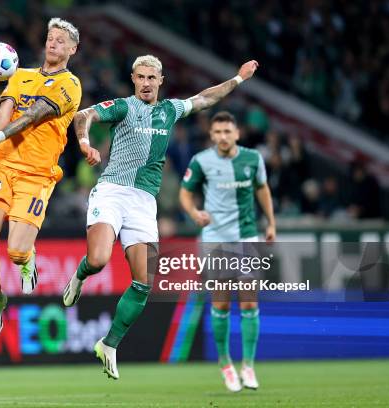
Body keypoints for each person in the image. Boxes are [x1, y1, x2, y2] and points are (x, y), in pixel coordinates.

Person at [62, 54, 259, 379]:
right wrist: (84, 144)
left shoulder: (169, 110)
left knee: (143, 283)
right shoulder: (123, 106)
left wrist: (238, 79)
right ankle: (80, 276)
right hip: (112, 190)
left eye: (151, 78)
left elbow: (205, 98)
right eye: (140, 77)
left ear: (160, 81)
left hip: (143, 203)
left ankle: (109, 344)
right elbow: (84, 114)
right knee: (97, 260)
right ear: (133, 79)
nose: (146, 83)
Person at [0, 18, 98, 336]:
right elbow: (5, 114)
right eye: (50, 38)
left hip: (37, 175)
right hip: (3, 167)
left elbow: (32, 116)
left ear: (72, 49)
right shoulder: (19, 76)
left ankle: (27, 260)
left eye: (61, 40)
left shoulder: (70, 86)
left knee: (16, 251)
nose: (53, 43)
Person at [179, 111, 276, 392]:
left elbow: (263, 189)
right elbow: (184, 193)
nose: (223, 136)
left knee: (249, 303)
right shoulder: (201, 161)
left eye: (227, 131)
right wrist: (194, 212)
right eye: (217, 132)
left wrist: (271, 223)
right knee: (221, 304)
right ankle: (225, 364)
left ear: (237, 134)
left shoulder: (252, 159)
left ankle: (248, 366)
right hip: (215, 240)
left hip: (246, 237)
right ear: (211, 135)